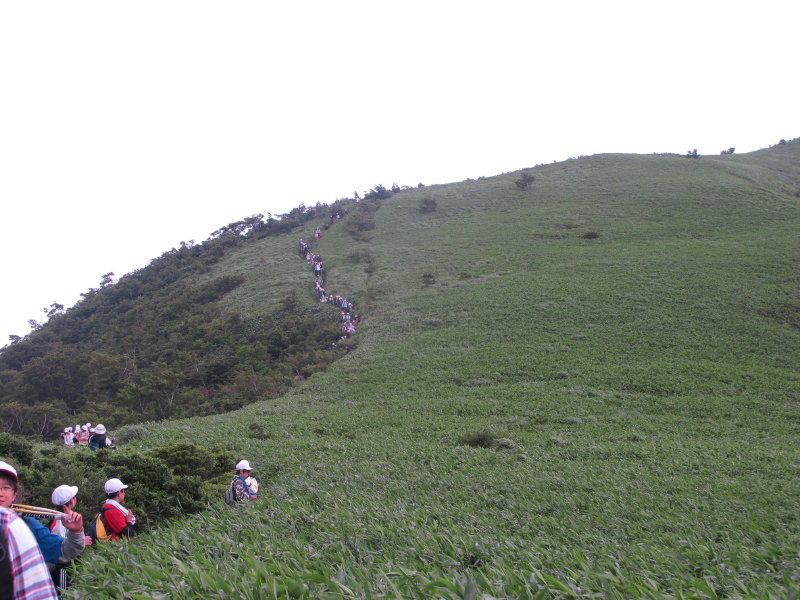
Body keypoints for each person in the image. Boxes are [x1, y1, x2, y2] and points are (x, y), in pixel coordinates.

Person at [0, 462, 85, 587]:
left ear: (14, 494)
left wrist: (76, 532)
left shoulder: (27, 525)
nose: (0, 493)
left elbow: (65, 551)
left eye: (5, 488)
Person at [0, 506, 59, 600]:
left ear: (14, 497)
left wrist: (75, 534)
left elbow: (60, 549)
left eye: (6, 490)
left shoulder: (21, 524)